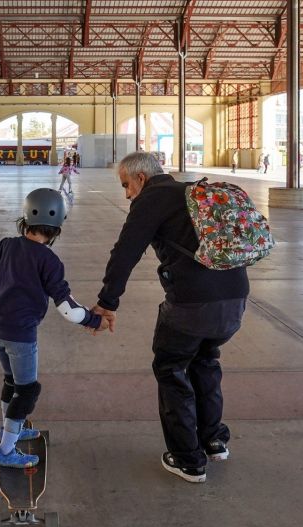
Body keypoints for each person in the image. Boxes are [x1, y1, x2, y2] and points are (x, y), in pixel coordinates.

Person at [92, 152, 249, 484]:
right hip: (235, 298)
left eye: (126, 185)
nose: (127, 195)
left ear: (141, 179)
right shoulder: (190, 194)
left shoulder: (152, 199)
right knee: (205, 360)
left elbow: (125, 253)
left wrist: (107, 302)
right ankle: (214, 440)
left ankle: (188, 459)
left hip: (193, 304)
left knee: (172, 368)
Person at [0, 188, 106, 468]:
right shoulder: (50, 261)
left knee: (11, 382)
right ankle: (6, 450)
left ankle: (12, 428)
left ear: (25, 220)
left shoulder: (8, 245)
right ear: (57, 228)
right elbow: (68, 308)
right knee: (26, 391)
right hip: (21, 335)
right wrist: (95, 320)